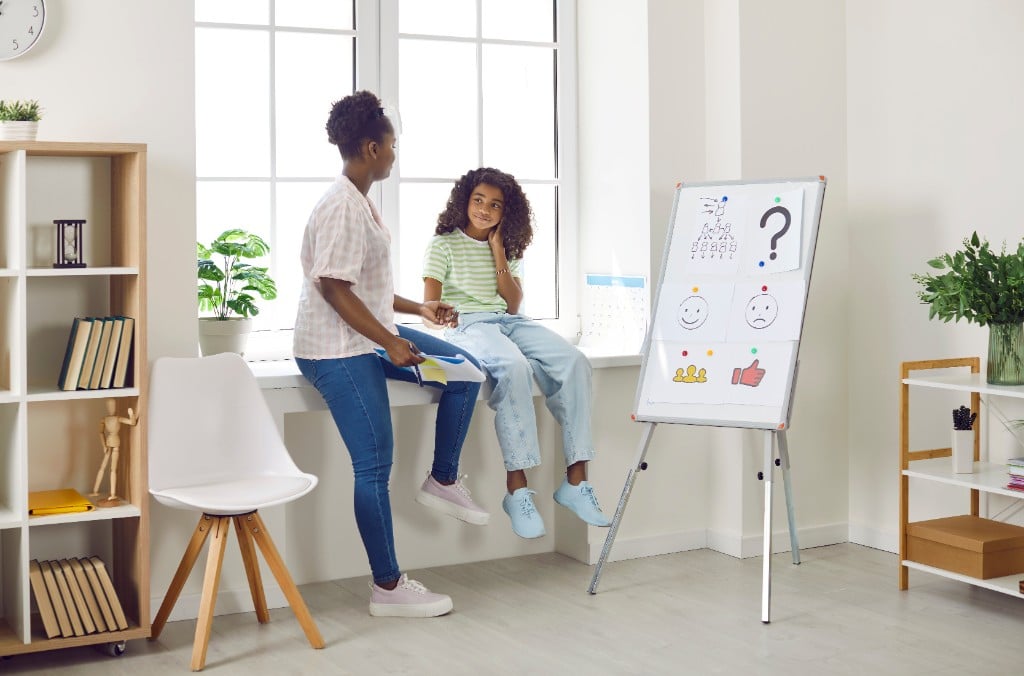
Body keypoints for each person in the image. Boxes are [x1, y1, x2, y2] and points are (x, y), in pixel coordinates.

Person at [293, 91, 489, 618]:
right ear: (372, 147)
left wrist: (418, 309)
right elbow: (334, 289)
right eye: (393, 144)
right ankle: (387, 587)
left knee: (465, 371)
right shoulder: (340, 206)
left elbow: (363, 287)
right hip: (335, 351)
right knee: (374, 465)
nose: (397, 152)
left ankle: (442, 478)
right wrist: (390, 341)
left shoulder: (359, 200)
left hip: (365, 334)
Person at [422, 167, 611, 539]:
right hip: (469, 326)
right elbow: (430, 309)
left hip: (509, 322)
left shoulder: (507, 247)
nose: (484, 210)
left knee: (574, 361)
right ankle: (517, 489)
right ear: (464, 201)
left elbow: (512, 304)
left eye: (495, 205)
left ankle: (576, 481)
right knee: (513, 366)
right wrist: (439, 318)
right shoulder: (442, 244)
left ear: (506, 212)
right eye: (478, 200)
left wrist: (497, 251)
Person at [92, 398, 139, 506]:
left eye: (112, 405)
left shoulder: (118, 418)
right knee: (102, 467)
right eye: (109, 405)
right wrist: (103, 445)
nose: (111, 408)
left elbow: (132, 422)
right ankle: (95, 490)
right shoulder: (104, 419)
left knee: (113, 469)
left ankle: (112, 493)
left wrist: (131, 414)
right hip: (108, 443)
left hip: (115, 442)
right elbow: (100, 432)